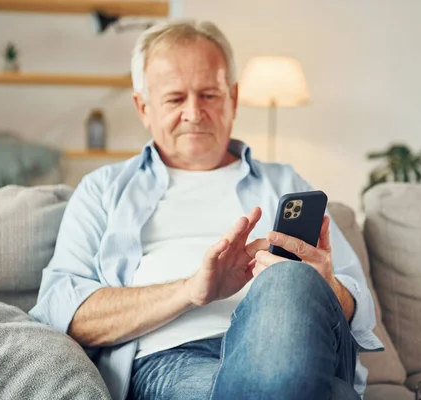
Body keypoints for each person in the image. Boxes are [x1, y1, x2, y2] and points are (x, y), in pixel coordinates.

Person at [29, 19, 383, 400]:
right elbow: (64, 311)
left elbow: (358, 307)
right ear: (143, 107)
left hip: (306, 345)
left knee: (287, 279)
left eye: (209, 95)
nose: (194, 113)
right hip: (175, 360)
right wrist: (192, 290)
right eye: (175, 98)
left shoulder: (286, 183)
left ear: (232, 97)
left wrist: (323, 285)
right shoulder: (104, 190)